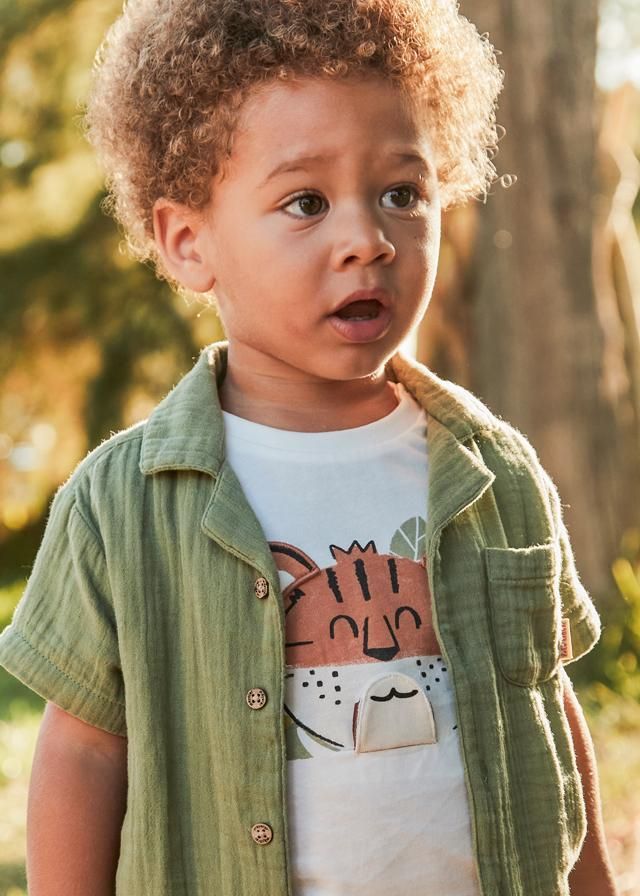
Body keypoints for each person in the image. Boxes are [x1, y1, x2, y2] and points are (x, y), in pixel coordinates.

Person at [0, 1, 619, 894]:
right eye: (305, 202)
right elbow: (85, 753)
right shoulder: (120, 504)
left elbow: (548, 713)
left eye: (403, 194)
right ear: (188, 241)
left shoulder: (495, 473)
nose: (368, 240)